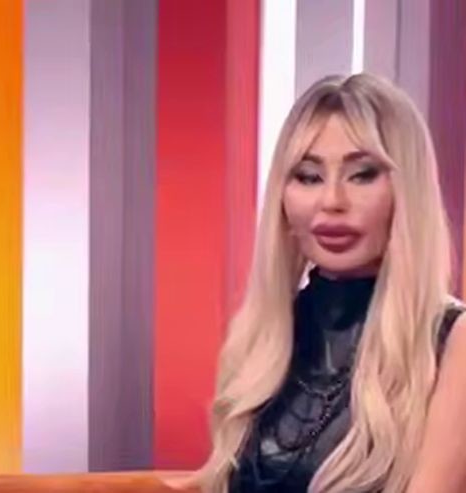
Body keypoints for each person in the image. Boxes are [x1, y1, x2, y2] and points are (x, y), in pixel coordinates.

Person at [183, 73, 466, 492]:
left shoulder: (453, 343)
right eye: (309, 176)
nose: (331, 201)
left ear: (407, 191)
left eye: (362, 174)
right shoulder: (263, 338)